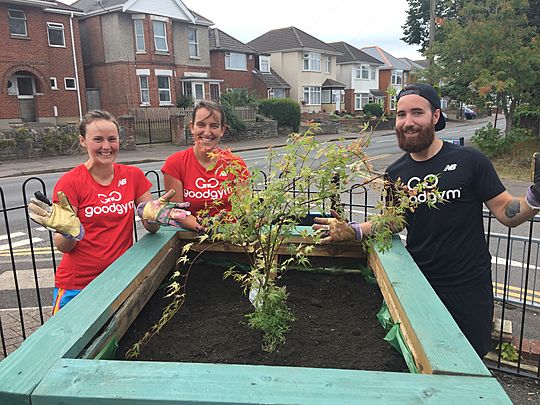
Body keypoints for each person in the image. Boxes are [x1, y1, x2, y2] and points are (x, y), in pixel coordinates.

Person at [314, 83, 540, 358]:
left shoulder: (469, 161)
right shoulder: (397, 172)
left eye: (417, 113)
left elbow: (507, 212)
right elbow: (395, 221)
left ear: (435, 116)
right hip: (418, 283)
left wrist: (534, 196)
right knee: (421, 358)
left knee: (470, 359)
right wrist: (354, 230)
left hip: (467, 286)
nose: (407, 122)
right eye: (401, 114)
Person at [28, 110, 190, 314]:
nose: (106, 146)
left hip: (119, 279)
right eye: (98, 139)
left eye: (112, 139)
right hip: (78, 284)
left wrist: (154, 215)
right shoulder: (71, 182)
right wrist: (67, 231)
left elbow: (151, 225)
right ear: (83, 141)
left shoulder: (133, 176)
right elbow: (64, 246)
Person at [162, 100, 248, 230]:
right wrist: (207, 229)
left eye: (214, 126)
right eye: (201, 125)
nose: (207, 132)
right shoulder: (175, 164)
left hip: (233, 239)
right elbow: (177, 212)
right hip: (193, 239)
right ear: (192, 127)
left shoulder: (236, 164)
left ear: (222, 130)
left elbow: (245, 208)